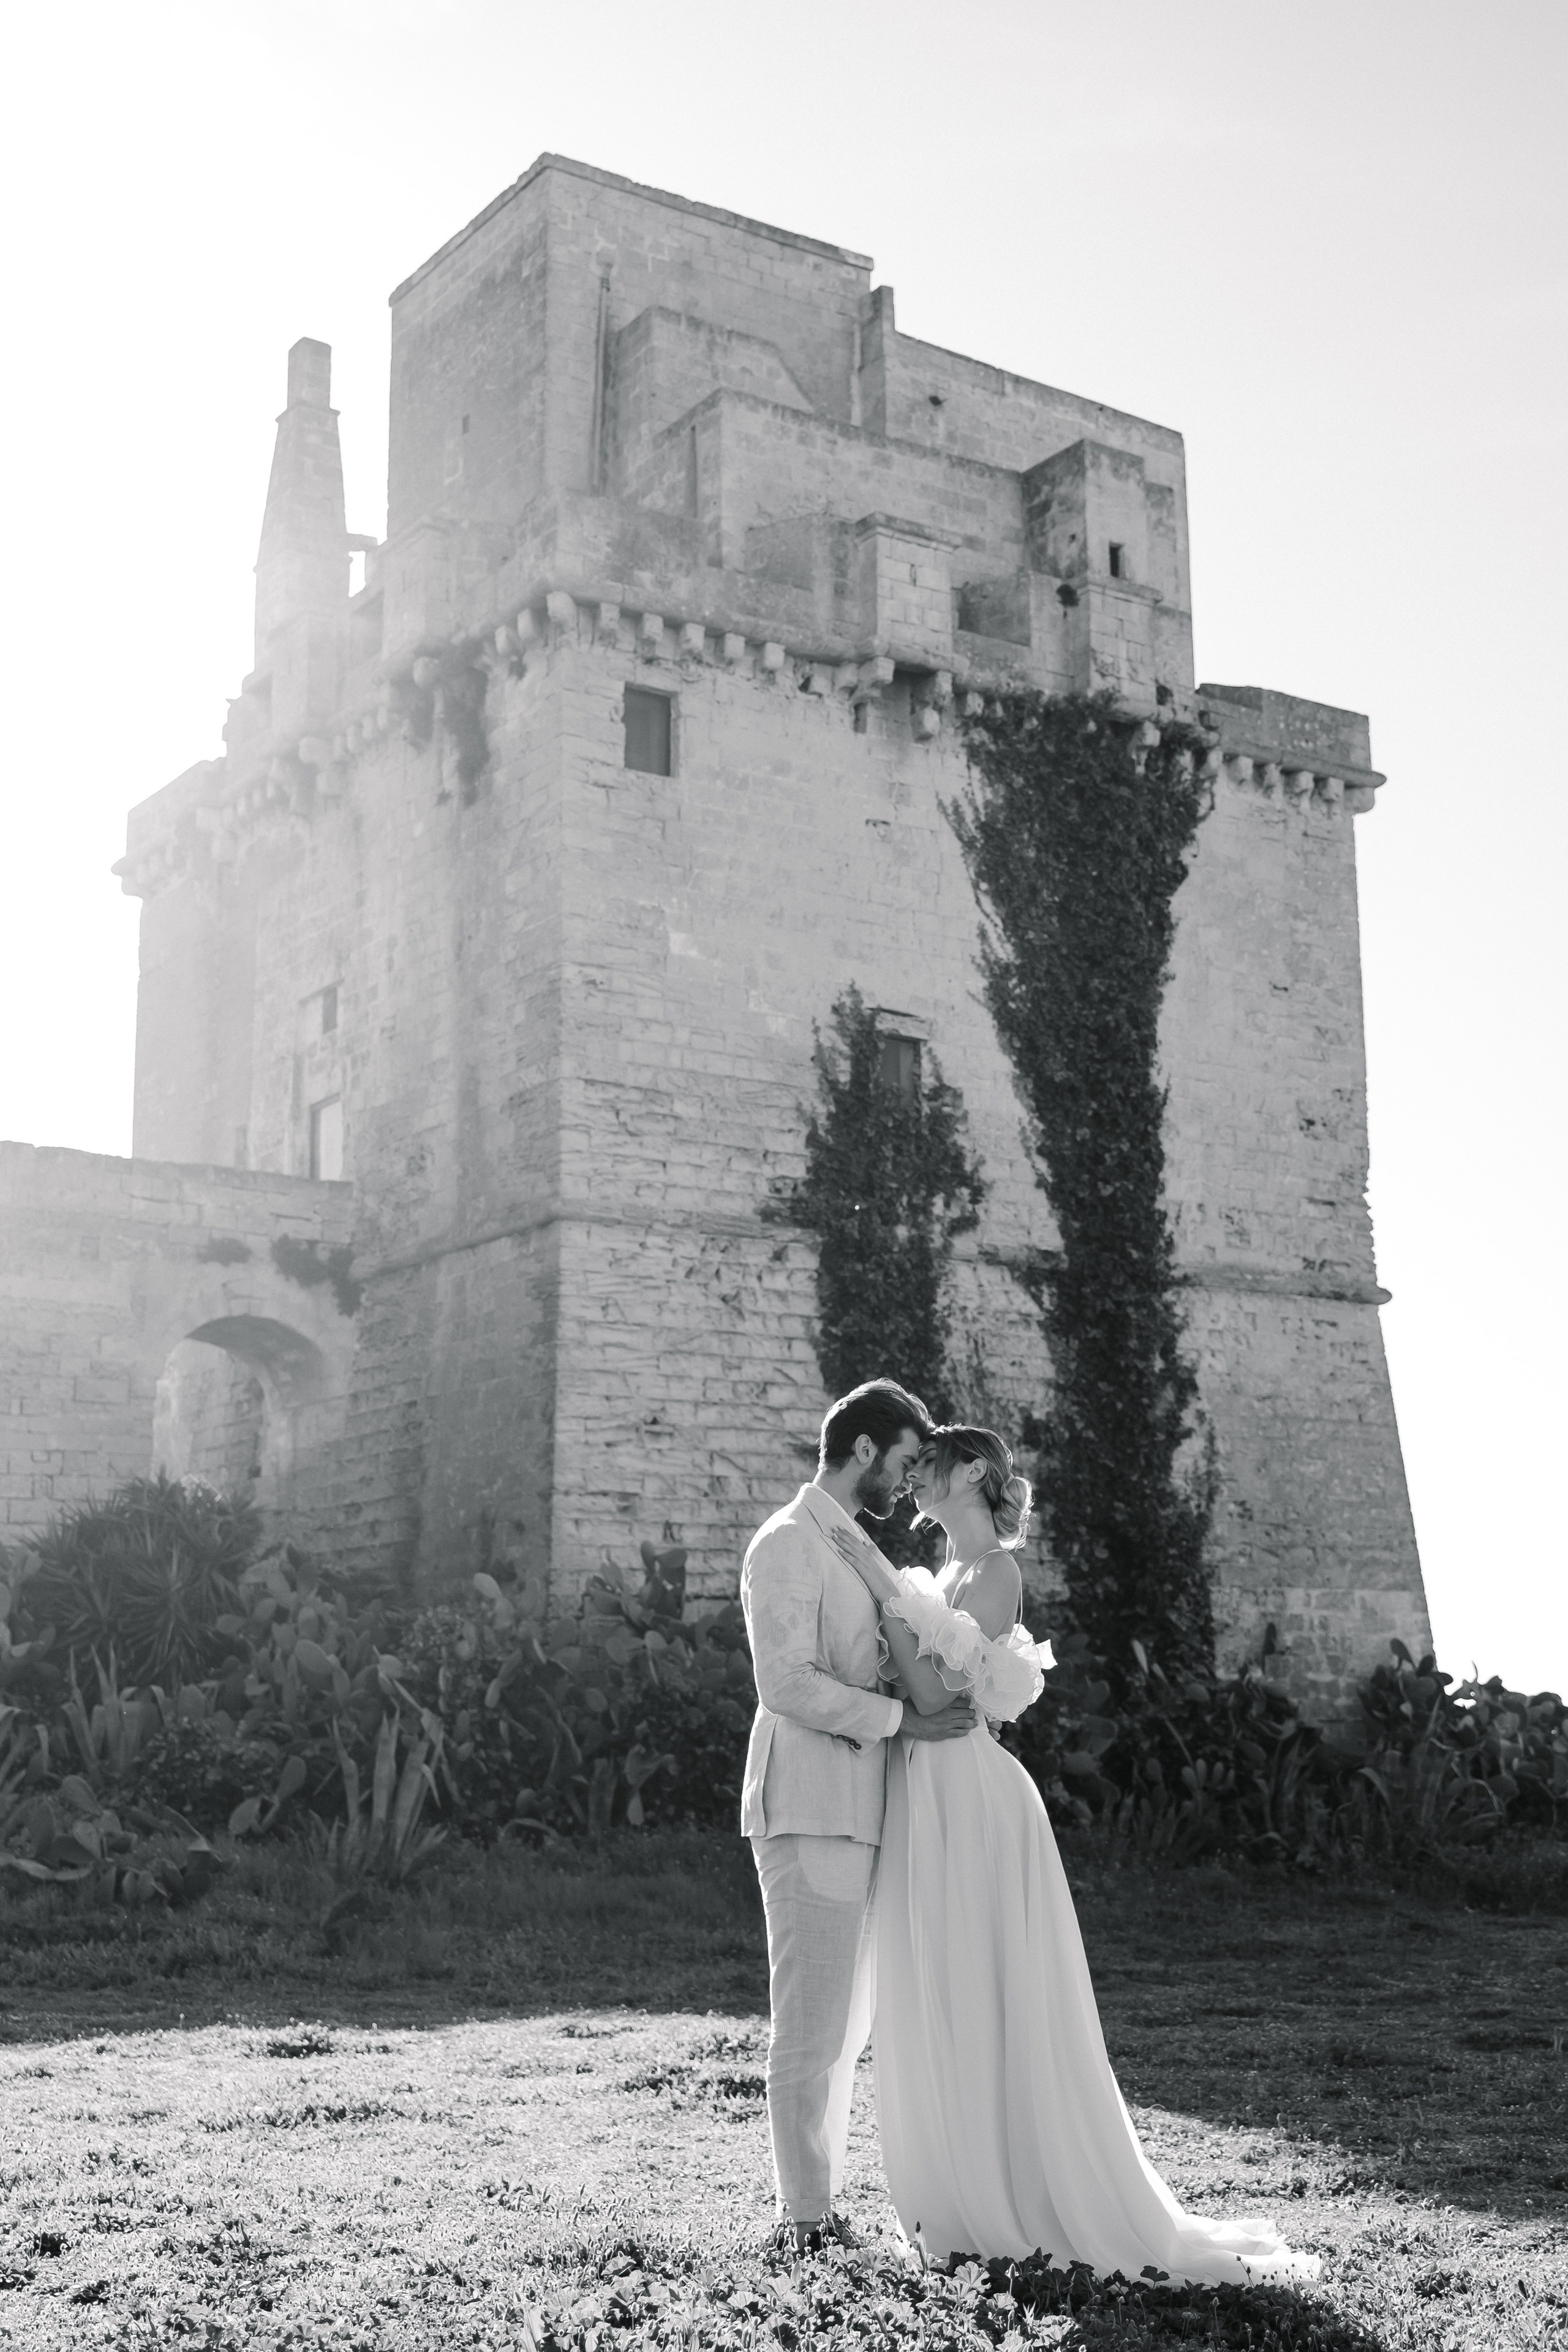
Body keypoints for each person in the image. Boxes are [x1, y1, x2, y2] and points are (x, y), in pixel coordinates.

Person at [829, 1423, 1320, 2285]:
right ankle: (951, 2190)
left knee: (987, 1984)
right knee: (934, 1984)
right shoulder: (939, 1576)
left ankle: (1019, 2192)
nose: (913, 1480)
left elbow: (940, 1691)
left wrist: (880, 1590)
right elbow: (913, 1678)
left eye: (930, 1466)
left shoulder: (995, 1573)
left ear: (974, 1471)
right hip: (919, 1790)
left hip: (970, 1797)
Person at [740, 1380, 979, 2253]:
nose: (910, 1481)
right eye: (908, 1460)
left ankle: (820, 2207)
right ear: (867, 1450)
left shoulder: (853, 1544)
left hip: (864, 1805)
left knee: (846, 2025)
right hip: (808, 1803)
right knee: (812, 2022)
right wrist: (901, 1720)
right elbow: (786, 1683)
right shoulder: (787, 1544)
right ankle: (804, 2219)